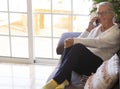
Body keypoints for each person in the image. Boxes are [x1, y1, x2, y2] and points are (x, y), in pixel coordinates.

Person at [42, 1, 120, 89]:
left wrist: (74, 41)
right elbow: (82, 39)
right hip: (85, 62)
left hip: (97, 64)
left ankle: (56, 80)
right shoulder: (97, 28)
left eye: (104, 13)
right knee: (71, 44)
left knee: (77, 46)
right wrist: (89, 28)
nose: (100, 16)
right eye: (99, 13)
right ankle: (65, 80)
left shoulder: (116, 32)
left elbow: (98, 42)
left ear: (112, 14)